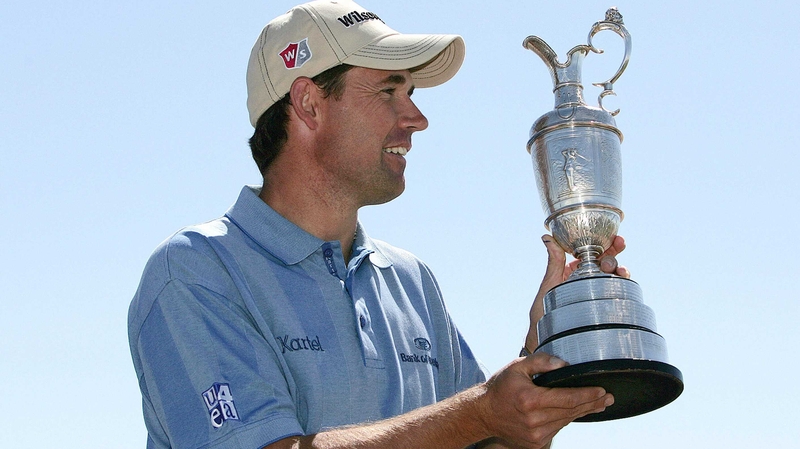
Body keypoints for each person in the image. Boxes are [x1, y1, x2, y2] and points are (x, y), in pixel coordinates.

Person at [127, 1, 628, 448]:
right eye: (389, 91)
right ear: (308, 103)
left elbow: (478, 435)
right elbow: (467, 417)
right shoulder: (194, 272)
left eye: (410, 92)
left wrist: (541, 363)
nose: (416, 118)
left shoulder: (411, 280)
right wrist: (478, 410)